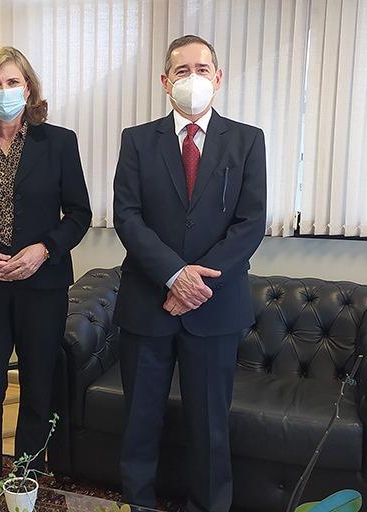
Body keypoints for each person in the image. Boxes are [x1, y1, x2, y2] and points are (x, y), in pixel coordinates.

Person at [113, 35, 267, 512]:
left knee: (209, 426)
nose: (193, 78)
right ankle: (137, 504)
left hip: (215, 308)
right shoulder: (137, 140)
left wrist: (195, 284)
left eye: (203, 69)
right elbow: (127, 217)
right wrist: (173, 275)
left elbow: (250, 224)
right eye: (183, 71)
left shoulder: (247, 140)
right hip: (148, 303)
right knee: (140, 423)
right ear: (165, 81)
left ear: (218, 79)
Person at [0, 46, 91, 484]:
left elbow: (79, 215)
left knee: (36, 388)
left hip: (41, 287)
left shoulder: (60, 142)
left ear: (28, 89)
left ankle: (27, 478)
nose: (4, 91)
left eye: (13, 82)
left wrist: (44, 249)